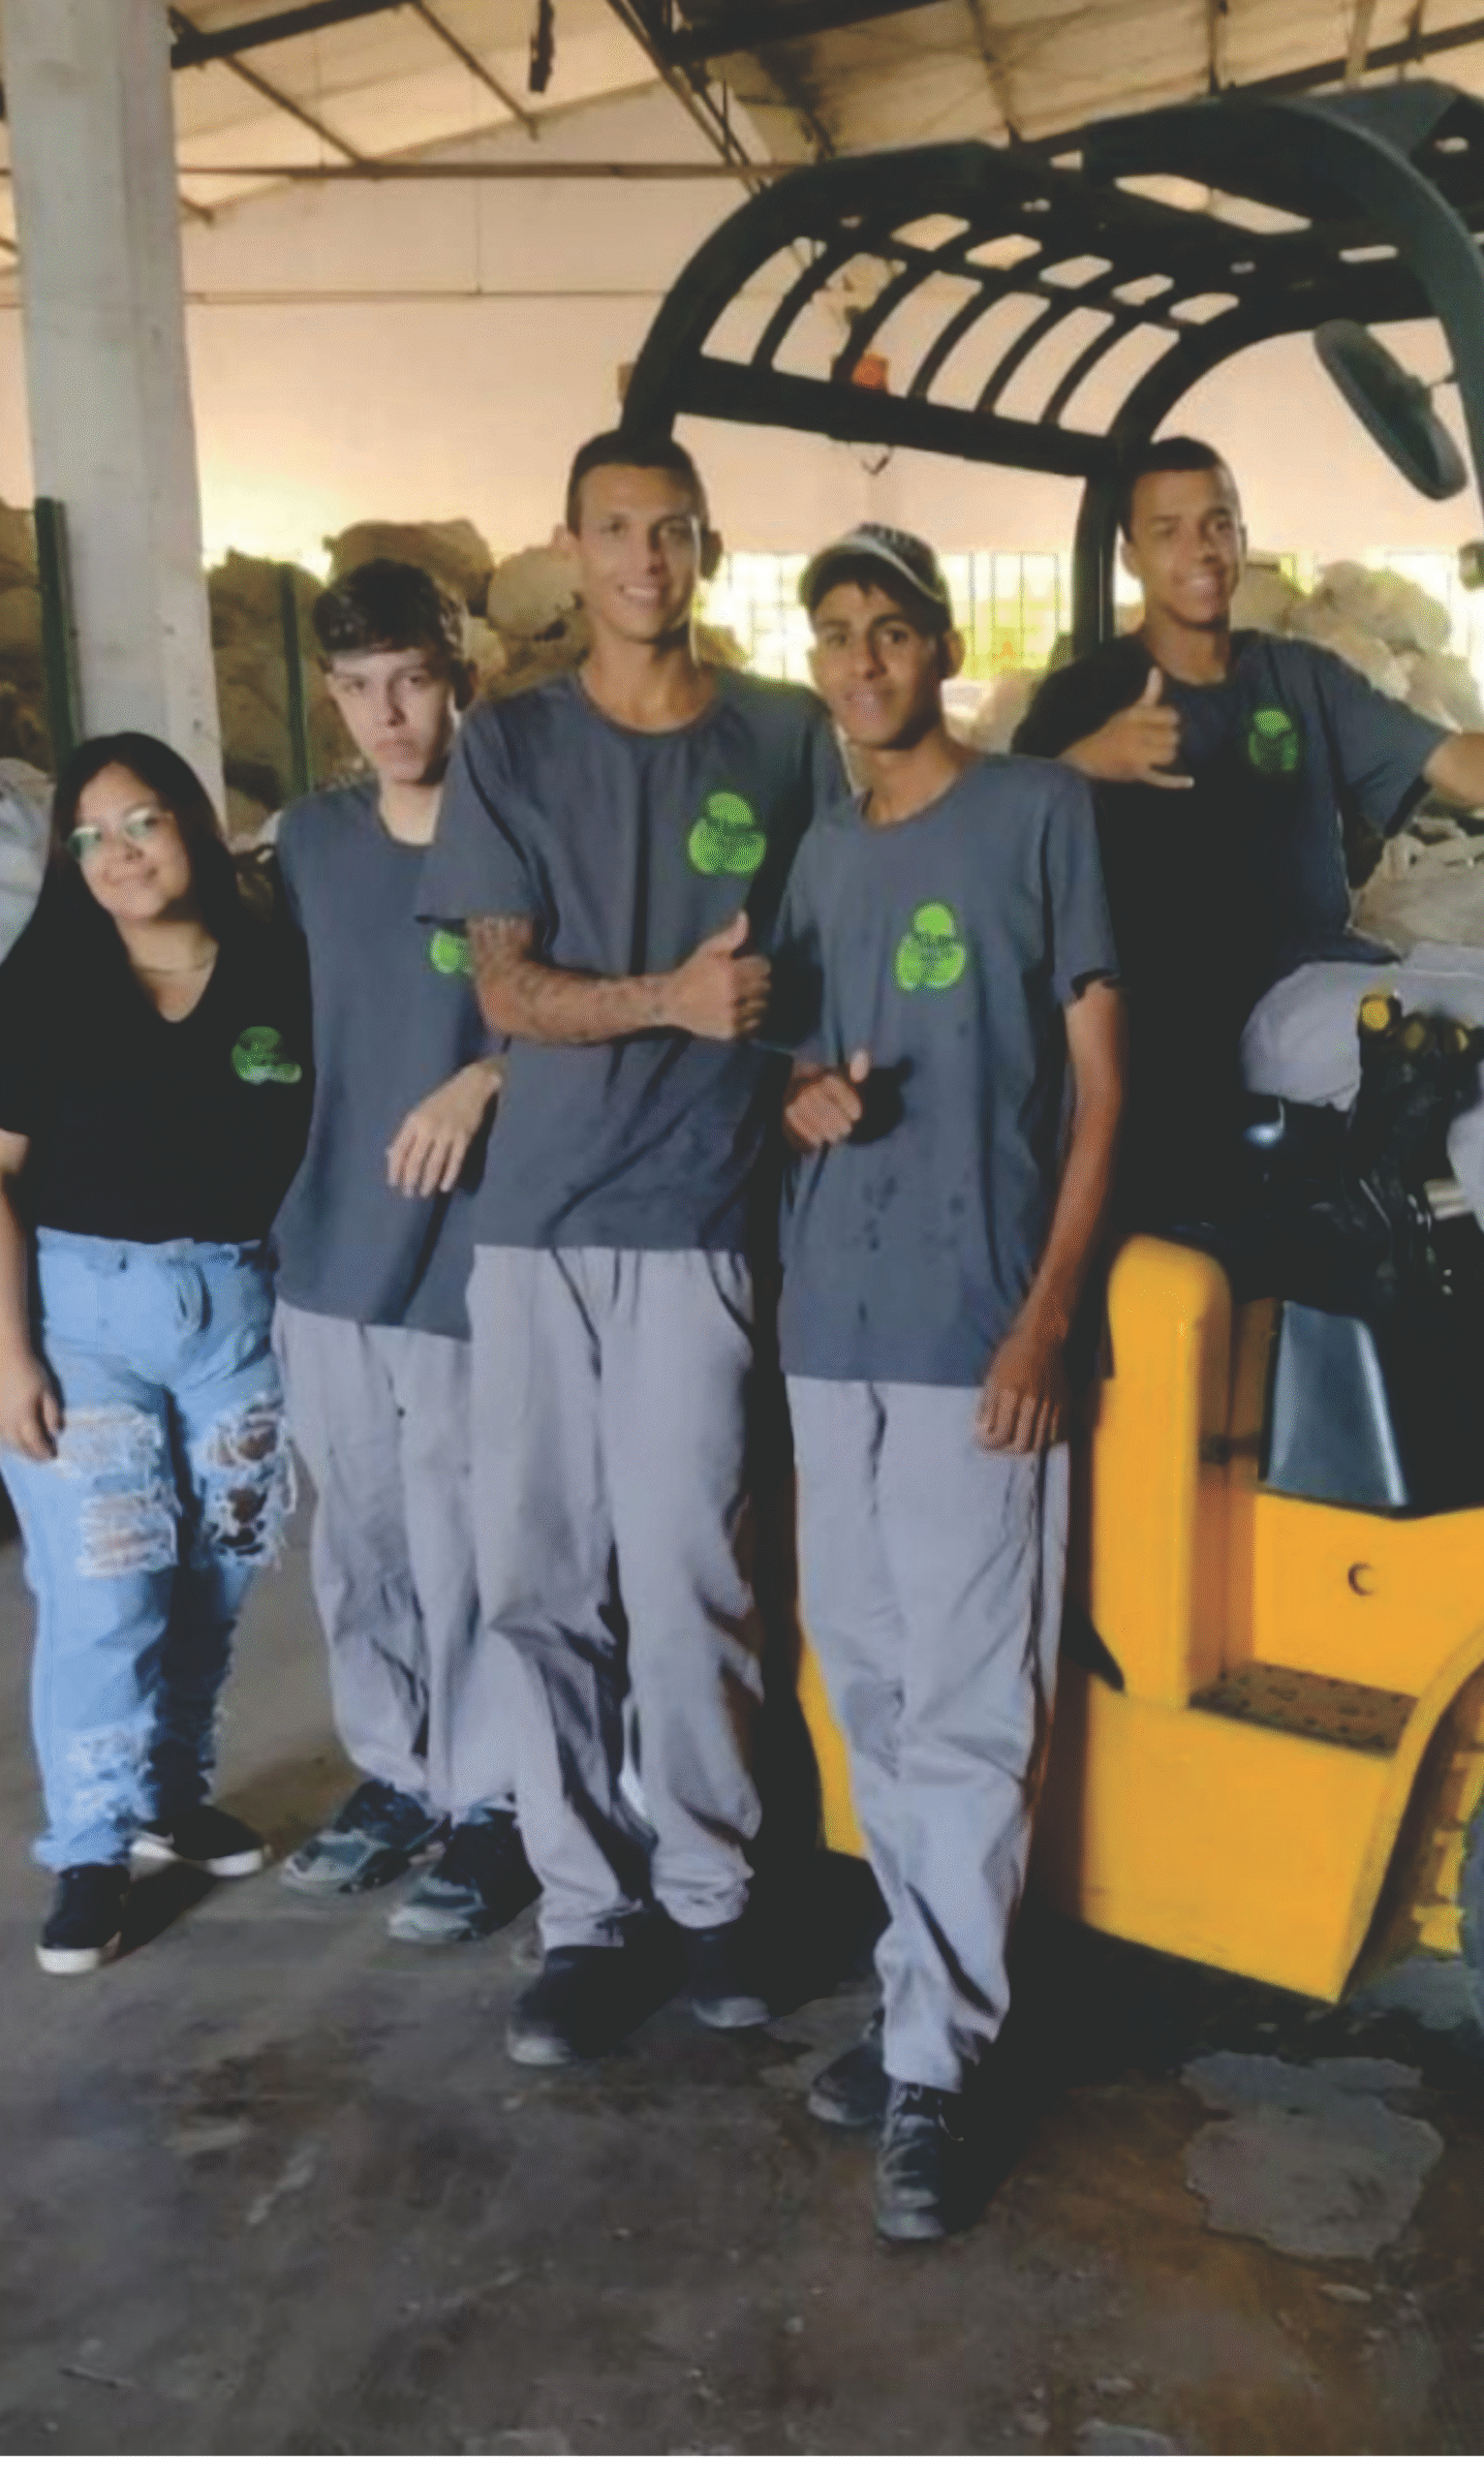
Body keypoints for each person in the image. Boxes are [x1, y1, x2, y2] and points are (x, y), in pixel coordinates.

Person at [419, 429, 840, 2065]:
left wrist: (808, 1068)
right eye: (614, 531)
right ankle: (586, 1915)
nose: (644, 560)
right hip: (534, 1228)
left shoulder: (783, 738)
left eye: (672, 532)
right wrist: (667, 996)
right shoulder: (511, 749)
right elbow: (504, 993)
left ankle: (711, 1896)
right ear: (573, 549)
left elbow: (851, 917)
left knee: (688, 1582)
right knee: (539, 1583)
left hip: (694, 1226)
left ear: (708, 550)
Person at [773, 525, 1125, 2241]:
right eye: (834, 635)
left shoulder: (1041, 817)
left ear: (936, 647)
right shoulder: (825, 857)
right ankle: (925, 2006)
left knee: (973, 1707)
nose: (863, 661)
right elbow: (791, 1064)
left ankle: (936, 2064)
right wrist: (800, 1103)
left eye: (890, 630)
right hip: (831, 1325)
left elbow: (1102, 1088)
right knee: (880, 1698)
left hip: (977, 1332)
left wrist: (1045, 1321)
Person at [1015, 438, 1484, 1372]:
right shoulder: (1084, 697)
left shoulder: (1296, 677)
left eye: (1218, 524)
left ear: (1243, 534)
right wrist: (1083, 767)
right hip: (1222, 1024)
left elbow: (1454, 761)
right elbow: (985, 840)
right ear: (1134, 555)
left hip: (1335, 968)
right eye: (1170, 531)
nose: (1202, 550)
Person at [0, 733, 312, 1972]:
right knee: (105, 1584)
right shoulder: (46, 983)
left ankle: (172, 1796)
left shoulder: (280, 970)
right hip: (84, 1318)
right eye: (91, 837)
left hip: (236, 1306)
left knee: (221, 1566)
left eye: (142, 823)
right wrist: (10, 1356)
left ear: (192, 823)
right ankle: (89, 1844)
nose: (119, 855)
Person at [272, 559, 536, 1944]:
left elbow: (573, 1010)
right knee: (360, 1542)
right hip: (328, 1247)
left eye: (412, 682)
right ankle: (394, 1773)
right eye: (360, 690)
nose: (389, 715)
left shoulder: (520, 835)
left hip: (467, 1259)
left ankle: (487, 1803)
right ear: (332, 700)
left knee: (467, 1541)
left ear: (460, 678)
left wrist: (482, 1082)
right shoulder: (308, 847)